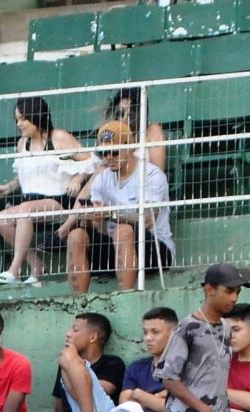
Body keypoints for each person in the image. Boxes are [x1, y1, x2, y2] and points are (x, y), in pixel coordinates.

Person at [60, 120, 174, 295]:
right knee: (76, 235)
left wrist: (111, 214)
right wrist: (93, 219)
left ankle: (126, 297)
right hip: (114, 249)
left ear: (129, 147)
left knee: (123, 231)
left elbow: (148, 220)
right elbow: (101, 227)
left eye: (114, 152)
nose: (109, 158)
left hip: (154, 250)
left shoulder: (151, 174)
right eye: (105, 153)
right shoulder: (102, 177)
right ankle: (78, 302)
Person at [0, 96, 92, 286]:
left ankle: (13, 271)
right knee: (0, 220)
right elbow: (23, 177)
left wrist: (77, 179)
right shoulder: (23, 144)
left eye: (23, 119)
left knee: (25, 210)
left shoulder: (59, 137)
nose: (19, 124)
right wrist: (8, 187)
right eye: (17, 120)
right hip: (30, 201)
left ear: (36, 116)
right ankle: (36, 265)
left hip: (59, 200)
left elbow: (92, 162)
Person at [159, 265, 246, 412]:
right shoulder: (188, 327)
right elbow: (168, 378)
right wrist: (202, 408)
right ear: (209, 290)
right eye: (229, 291)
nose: (234, 298)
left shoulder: (226, 327)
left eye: (237, 292)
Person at [30, 312, 122, 412]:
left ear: (93, 337)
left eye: (75, 329)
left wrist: (72, 362)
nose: (68, 334)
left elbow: (99, 391)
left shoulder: (112, 363)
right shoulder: (65, 365)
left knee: (67, 356)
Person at [103, 87, 166, 169]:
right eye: (120, 113)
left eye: (131, 115)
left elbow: (158, 172)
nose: (124, 118)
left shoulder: (153, 130)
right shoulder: (113, 132)